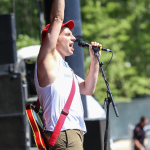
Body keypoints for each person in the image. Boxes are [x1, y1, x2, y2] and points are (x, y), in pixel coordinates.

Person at [34, 0, 102, 149]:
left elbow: (88, 89)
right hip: (63, 134)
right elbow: (57, 18)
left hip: (72, 133)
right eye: (67, 35)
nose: (73, 38)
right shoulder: (47, 60)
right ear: (53, 39)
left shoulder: (66, 70)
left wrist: (94, 60)